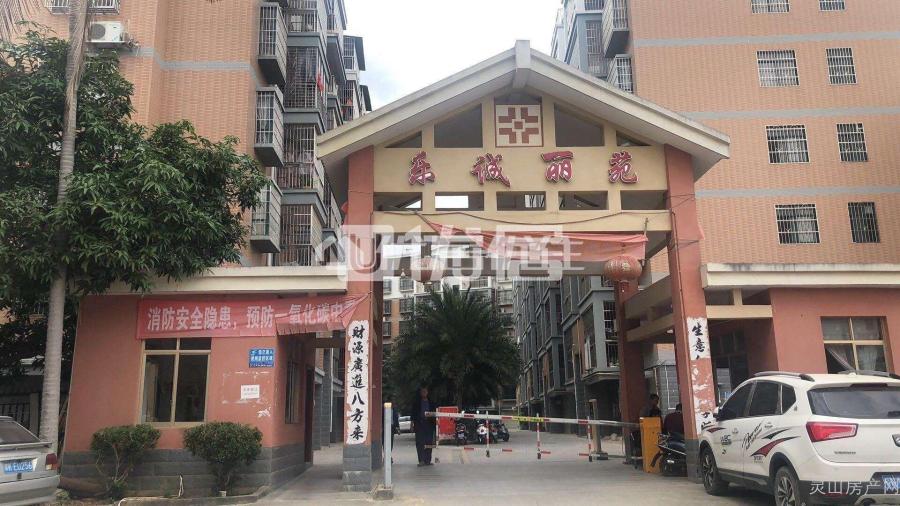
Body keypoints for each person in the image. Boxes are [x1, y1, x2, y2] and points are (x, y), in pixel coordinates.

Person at [411, 386, 436, 466]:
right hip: (420, 425)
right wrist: (412, 424)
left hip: (429, 425)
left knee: (429, 442)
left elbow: (435, 414)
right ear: (420, 393)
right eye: (422, 391)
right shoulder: (417, 402)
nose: (424, 393)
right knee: (420, 442)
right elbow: (413, 414)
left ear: (427, 392)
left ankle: (428, 460)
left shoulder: (431, 402)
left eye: (425, 391)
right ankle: (421, 460)